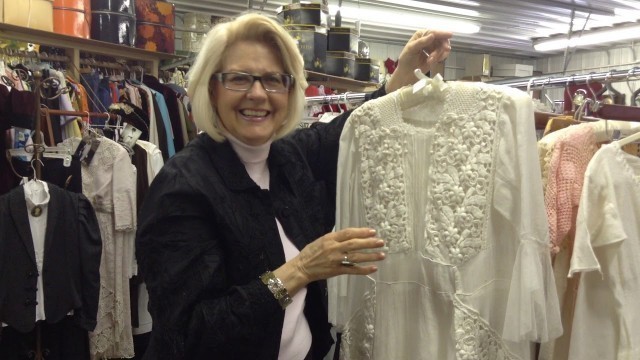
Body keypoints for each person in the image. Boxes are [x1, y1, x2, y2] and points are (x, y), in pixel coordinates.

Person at [135, 12, 451, 360]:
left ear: (289, 91)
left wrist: (397, 82)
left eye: (274, 80)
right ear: (211, 88)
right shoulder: (182, 190)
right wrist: (299, 270)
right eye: (239, 78)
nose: (258, 94)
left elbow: (344, 134)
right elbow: (189, 334)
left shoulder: (287, 156)